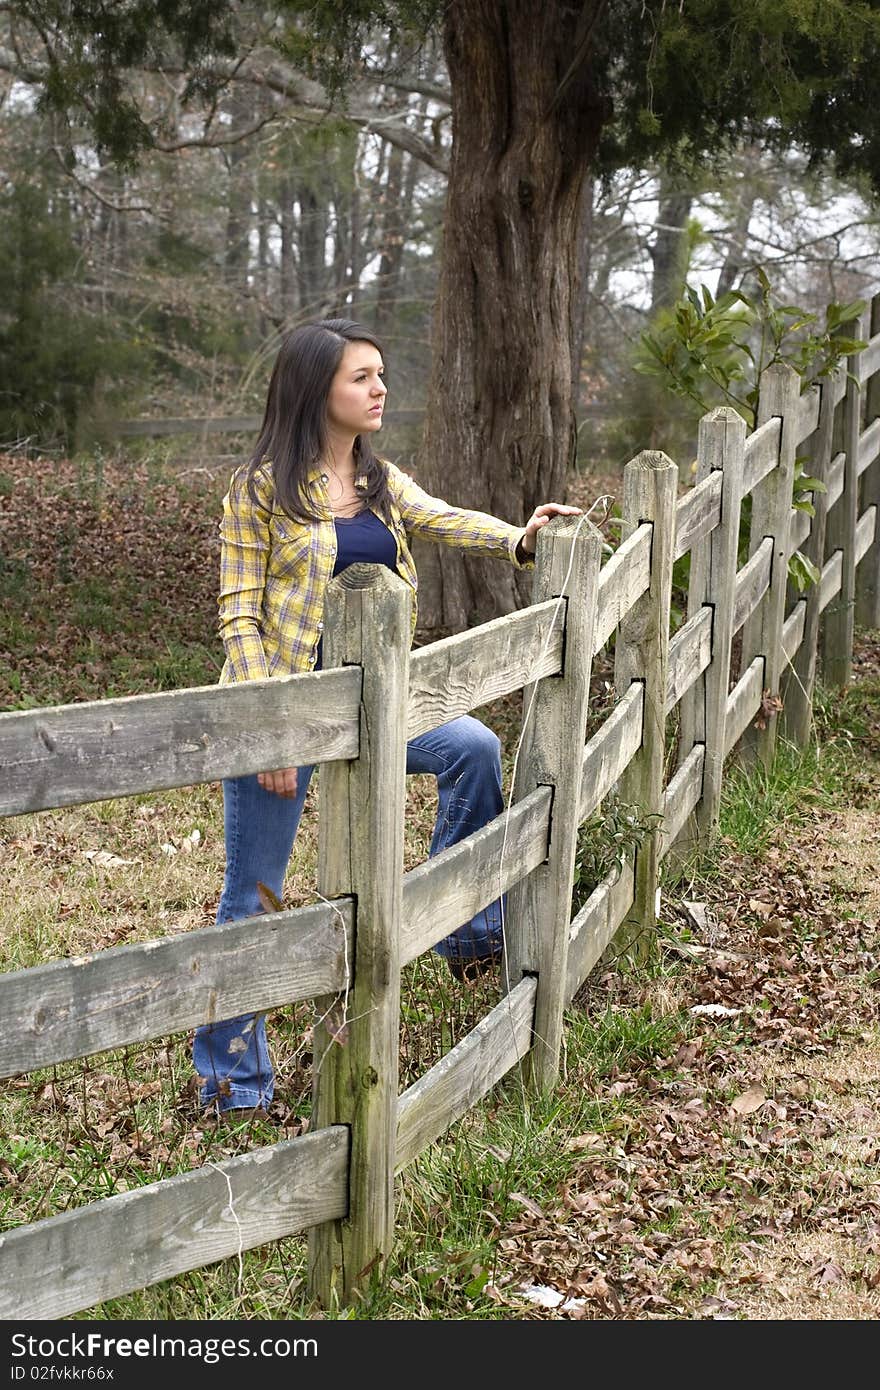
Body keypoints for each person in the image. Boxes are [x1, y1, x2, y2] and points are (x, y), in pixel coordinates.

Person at [193, 318, 581, 1115]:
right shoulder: (259, 489)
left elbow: (441, 518)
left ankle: (464, 932)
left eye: (380, 374)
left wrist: (521, 539)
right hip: (287, 708)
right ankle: (231, 1084)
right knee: (256, 895)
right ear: (316, 390)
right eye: (361, 377)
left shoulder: (377, 479)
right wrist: (276, 725)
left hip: (378, 705)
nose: (380, 389)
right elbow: (238, 619)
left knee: (472, 746)